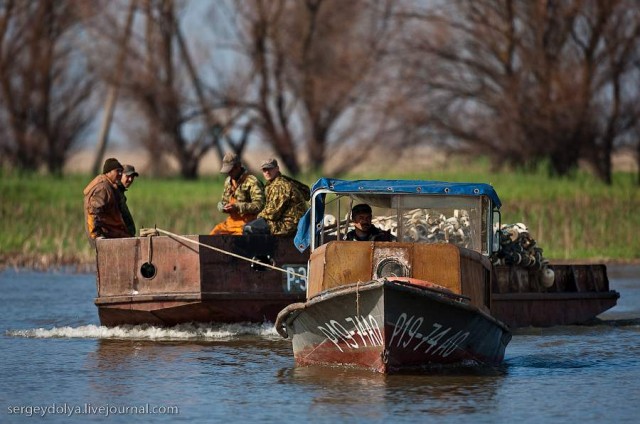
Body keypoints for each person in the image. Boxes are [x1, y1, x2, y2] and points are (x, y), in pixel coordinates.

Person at [245, 158, 310, 236]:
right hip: (286, 220)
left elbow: (273, 213)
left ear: (277, 169)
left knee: (250, 228)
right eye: (264, 170)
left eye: (270, 169)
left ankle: (266, 248)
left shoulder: (280, 185)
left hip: (291, 224)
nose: (267, 172)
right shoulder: (272, 183)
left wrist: (258, 216)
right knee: (253, 225)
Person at [210, 152, 265, 235]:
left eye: (231, 170)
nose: (229, 173)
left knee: (234, 242)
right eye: (227, 171)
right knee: (213, 235)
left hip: (247, 224)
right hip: (230, 223)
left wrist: (237, 207)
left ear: (238, 166)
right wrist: (222, 206)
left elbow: (259, 205)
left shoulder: (252, 182)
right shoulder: (228, 181)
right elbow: (224, 201)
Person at [83, 158, 130, 245]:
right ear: (108, 172)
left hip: (111, 237)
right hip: (107, 238)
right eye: (117, 171)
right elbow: (93, 212)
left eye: (121, 171)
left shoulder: (109, 186)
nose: (120, 174)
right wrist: (97, 237)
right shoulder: (103, 188)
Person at [117, 164, 139, 237]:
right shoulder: (114, 192)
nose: (130, 179)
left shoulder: (120, 192)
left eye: (132, 177)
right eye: (128, 176)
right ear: (120, 175)